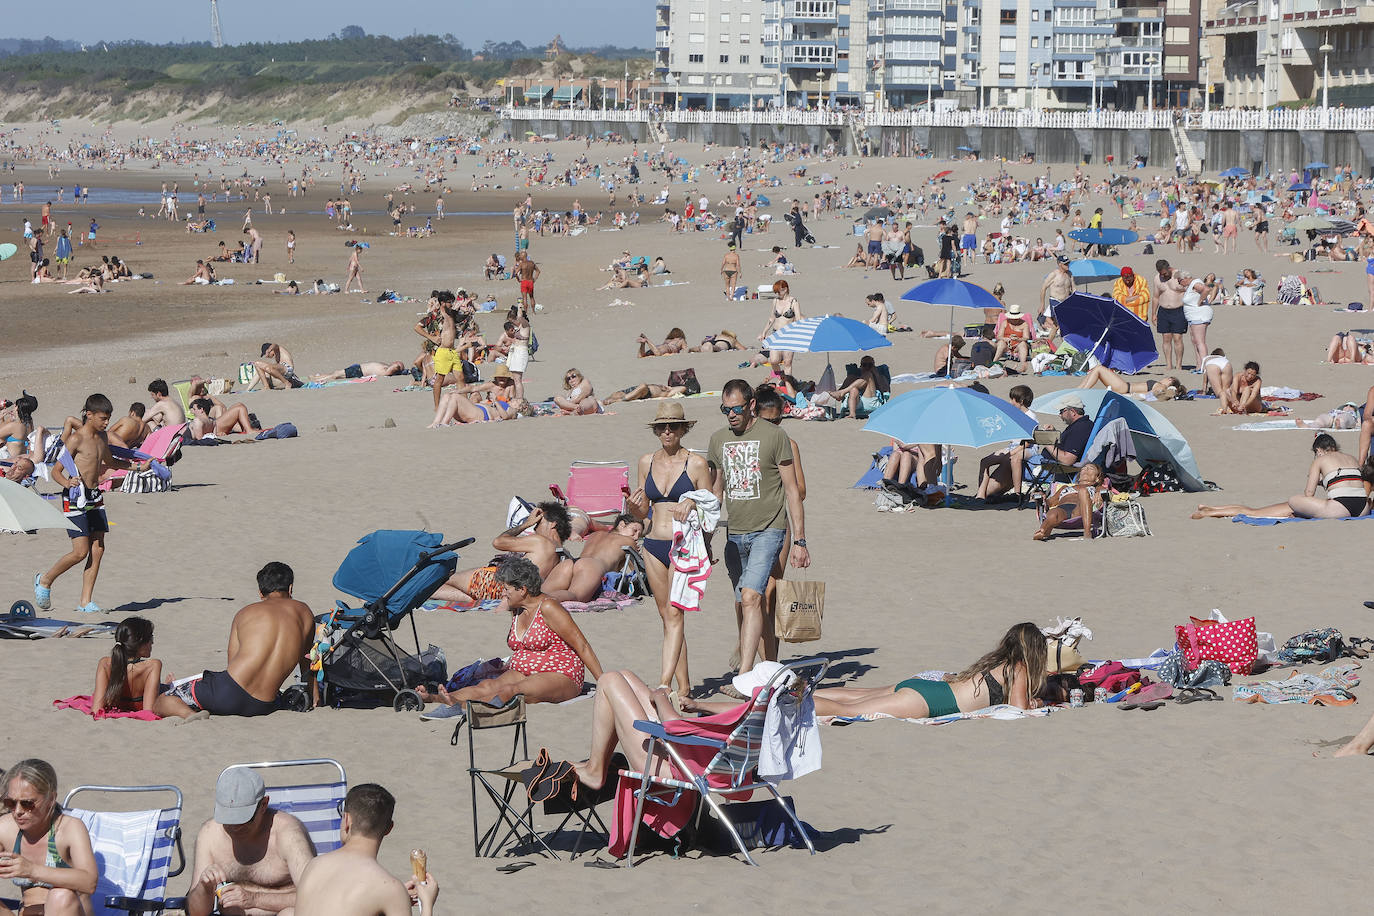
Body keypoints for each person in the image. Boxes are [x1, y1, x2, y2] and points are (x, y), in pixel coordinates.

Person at [709, 380, 808, 688]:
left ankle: (745, 678)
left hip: (770, 529)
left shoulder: (776, 436)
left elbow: (794, 490)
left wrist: (801, 540)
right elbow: (716, 491)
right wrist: (705, 536)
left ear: (750, 405)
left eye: (736, 409)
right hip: (735, 534)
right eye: (726, 410)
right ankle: (768, 667)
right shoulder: (718, 440)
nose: (731, 415)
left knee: (754, 596)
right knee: (745, 602)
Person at [416, 557, 603, 713]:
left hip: (561, 672)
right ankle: (435, 698)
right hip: (523, 670)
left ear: (522, 589)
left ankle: (460, 706)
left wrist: (602, 682)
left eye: (506, 589)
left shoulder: (549, 607)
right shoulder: (517, 609)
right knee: (487, 686)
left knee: (512, 691)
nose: (503, 593)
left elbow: (582, 645)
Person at [625, 402, 712, 696]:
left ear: (683, 429)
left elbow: (711, 509)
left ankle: (663, 684)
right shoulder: (646, 462)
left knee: (675, 615)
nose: (667, 431)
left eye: (673, 426)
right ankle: (684, 688)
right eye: (662, 426)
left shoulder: (697, 464)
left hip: (682, 545)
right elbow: (643, 512)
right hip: (652, 545)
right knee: (667, 617)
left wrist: (694, 501)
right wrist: (635, 510)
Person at [35, 394, 150, 615]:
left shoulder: (102, 438)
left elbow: (110, 462)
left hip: (95, 496)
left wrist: (137, 468)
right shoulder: (76, 439)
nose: (107, 422)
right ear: (89, 415)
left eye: (108, 418)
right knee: (80, 552)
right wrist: (67, 481)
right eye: (103, 418)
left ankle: (85, 601)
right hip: (75, 497)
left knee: (98, 550)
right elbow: (56, 471)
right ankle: (45, 579)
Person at [164, 562, 314, 717]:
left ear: (261, 593)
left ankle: (189, 714)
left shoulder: (245, 613)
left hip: (228, 693)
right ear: (290, 588)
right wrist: (313, 695)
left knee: (165, 698)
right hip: (264, 705)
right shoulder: (305, 613)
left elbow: (232, 661)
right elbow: (307, 663)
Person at [808, 622, 1047, 718]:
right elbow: (1018, 710)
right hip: (931, 701)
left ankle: (803, 692)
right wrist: (1036, 702)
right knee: (849, 710)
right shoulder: (1019, 668)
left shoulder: (997, 661)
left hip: (930, 688)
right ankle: (796, 703)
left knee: (859, 694)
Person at [186, 768, 316, 916]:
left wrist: (254, 899)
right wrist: (204, 888)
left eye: (243, 819)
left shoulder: (288, 833)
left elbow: (314, 896)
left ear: (264, 805)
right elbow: (196, 913)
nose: (235, 827)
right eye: (228, 819)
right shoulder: (210, 834)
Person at [293, 784, 437, 916]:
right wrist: (427, 904)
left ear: (347, 820)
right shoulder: (390, 889)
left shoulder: (313, 866)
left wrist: (393, 897)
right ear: (389, 829)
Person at [0, 759, 98, 916]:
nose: (17, 811)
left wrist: (31, 870)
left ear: (51, 799)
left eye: (27, 803)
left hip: (66, 910)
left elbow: (89, 882)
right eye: (10, 802)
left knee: (61, 896)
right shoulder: (5, 828)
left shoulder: (69, 829)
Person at [1192, 434, 1370, 520]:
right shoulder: (1352, 458)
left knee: (1292, 502)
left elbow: (1308, 494)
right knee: (1287, 508)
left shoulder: (1321, 460)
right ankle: (1211, 509)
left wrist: (1315, 479)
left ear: (1319, 451)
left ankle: (1211, 511)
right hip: (1362, 509)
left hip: (1338, 509)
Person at [431, 503, 572, 605]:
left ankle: (462, 598)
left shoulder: (541, 542)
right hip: (510, 592)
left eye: (538, 523)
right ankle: (470, 600)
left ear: (552, 524)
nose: (535, 527)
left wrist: (526, 524)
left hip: (494, 582)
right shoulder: (564, 556)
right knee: (433, 588)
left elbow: (498, 542)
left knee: (436, 580)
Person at [91, 616, 201, 719]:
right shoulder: (153, 665)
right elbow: (148, 710)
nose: (152, 642)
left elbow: (96, 710)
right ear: (140, 642)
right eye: (151, 637)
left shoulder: (105, 663)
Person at [542, 514, 645, 604]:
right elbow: (637, 570)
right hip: (592, 567)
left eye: (639, 535)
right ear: (622, 525)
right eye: (634, 531)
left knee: (543, 593)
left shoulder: (595, 534)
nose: (636, 537)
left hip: (571, 562)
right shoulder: (628, 541)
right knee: (574, 597)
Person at [975, 384, 1038, 500]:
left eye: (1012, 399)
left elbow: (1028, 442)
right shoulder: (1015, 415)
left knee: (1015, 459)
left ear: (1021, 401)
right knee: (985, 461)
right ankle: (980, 494)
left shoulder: (1030, 416)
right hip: (1014, 446)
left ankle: (1017, 493)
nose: (1010, 402)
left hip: (1028, 448)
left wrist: (1011, 453)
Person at [1033, 463, 1109, 541]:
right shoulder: (1065, 487)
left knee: (1083, 491)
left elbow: (1103, 490)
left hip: (1081, 510)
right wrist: (1042, 497)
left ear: (1097, 479)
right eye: (1084, 468)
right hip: (1062, 509)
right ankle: (1043, 531)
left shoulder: (1096, 488)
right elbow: (1051, 502)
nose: (1086, 469)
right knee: (1053, 514)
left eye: (1091, 469)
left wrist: (1100, 492)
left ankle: (1087, 533)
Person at [1150, 262, 1187, 371]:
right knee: (1166, 338)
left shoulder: (1179, 275)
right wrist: (1153, 313)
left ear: (1169, 268)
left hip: (1178, 310)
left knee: (1177, 338)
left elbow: (1190, 289)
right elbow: (1156, 297)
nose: (1163, 276)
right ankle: (1169, 364)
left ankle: (1179, 364)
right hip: (1163, 311)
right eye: (1161, 274)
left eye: (1165, 274)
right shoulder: (1157, 279)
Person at [1178, 270, 1216, 370]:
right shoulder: (1191, 285)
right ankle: (1199, 365)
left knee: (1200, 342)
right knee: (1195, 341)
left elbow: (1207, 289)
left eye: (1179, 281)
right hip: (1193, 317)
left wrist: (1200, 301)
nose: (1180, 284)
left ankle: (1205, 367)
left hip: (1199, 315)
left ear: (1184, 279)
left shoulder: (1195, 283)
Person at [1077, 365, 1183, 400]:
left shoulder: (1161, 385)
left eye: (1167, 378)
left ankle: (1080, 391)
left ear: (1170, 380)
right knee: (1097, 369)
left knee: (1099, 368)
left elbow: (1152, 394)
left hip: (1124, 388)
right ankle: (1078, 390)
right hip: (1124, 387)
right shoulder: (1160, 386)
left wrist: (1128, 395)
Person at [188, 398, 260, 440]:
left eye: (194, 409)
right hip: (217, 425)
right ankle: (249, 430)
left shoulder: (202, 417)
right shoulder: (194, 396)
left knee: (239, 404)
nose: (193, 412)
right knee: (240, 408)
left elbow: (222, 406)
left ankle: (246, 427)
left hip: (214, 424)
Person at [993, 303, 1033, 373]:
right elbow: (999, 336)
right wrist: (1005, 339)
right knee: (1001, 342)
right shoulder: (1005, 322)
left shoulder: (1024, 324)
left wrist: (1018, 339)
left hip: (1018, 345)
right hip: (1006, 345)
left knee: (1023, 344)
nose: (1014, 320)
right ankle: (994, 361)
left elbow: (1026, 337)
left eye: (1016, 318)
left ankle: (1023, 363)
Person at [1039, 257, 1075, 324]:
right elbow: (1043, 288)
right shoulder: (1054, 274)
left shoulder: (1069, 274)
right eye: (1065, 264)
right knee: (1059, 323)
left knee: (1056, 326)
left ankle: (1055, 334)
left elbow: (1074, 289)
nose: (1068, 265)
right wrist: (1042, 305)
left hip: (1066, 301)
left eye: (1068, 263)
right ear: (1060, 264)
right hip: (1055, 301)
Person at [309, 361, 406, 383]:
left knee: (336, 375)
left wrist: (399, 367)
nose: (396, 362)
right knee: (336, 373)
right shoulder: (386, 368)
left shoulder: (386, 371)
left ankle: (317, 379)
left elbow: (396, 367)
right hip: (358, 368)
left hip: (358, 371)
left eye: (398, 364)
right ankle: (319, 377)